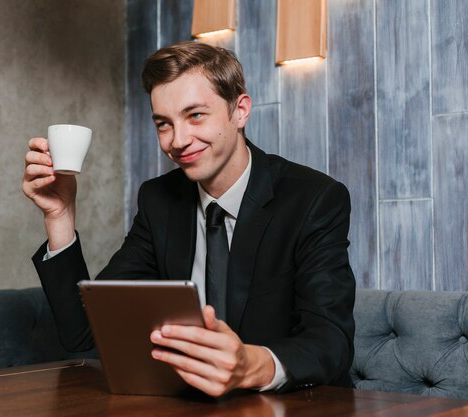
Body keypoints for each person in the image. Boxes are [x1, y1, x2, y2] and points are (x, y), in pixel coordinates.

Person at [23, 41, 355, 397]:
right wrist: (60, 216)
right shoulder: (158, 200)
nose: (178, 141)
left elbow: (331, 342)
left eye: (195, 115)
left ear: (240, 111)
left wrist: (249, 365)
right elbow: (84, 333)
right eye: (163, 124)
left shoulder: (313, 199)